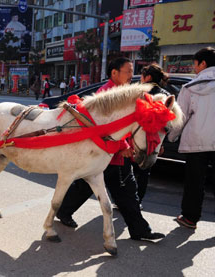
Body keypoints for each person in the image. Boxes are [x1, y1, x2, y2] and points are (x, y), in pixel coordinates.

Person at [56, 57, 165, 241]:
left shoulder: (125, 93)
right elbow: (104, 128)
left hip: (112, 153)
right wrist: (123, 146)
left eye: (132, 71)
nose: (132, 75)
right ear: (114, 73)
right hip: (107, 152)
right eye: (128, 71)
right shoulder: (105, 94)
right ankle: (140, 230)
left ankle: (63, 211)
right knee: (123, 190)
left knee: (97, 187)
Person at [168, 47, 215, 229]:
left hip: (196, 140)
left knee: (195, 182)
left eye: (195, 64)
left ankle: (189, 218)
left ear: (202, 64)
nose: (194, 67)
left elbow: (181, 117)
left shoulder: (189, 88)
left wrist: (172, 137)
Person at [134, 64, 171, 208]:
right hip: (153, 140)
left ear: (148, 77)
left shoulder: (141, 92)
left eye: (142, 76)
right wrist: (161, 144)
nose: (141, 79)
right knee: (144, 171)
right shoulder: (166, 95)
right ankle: (138, 201)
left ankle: (126, 200)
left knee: (129, 170)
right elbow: (167, 124)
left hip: (137, 137)